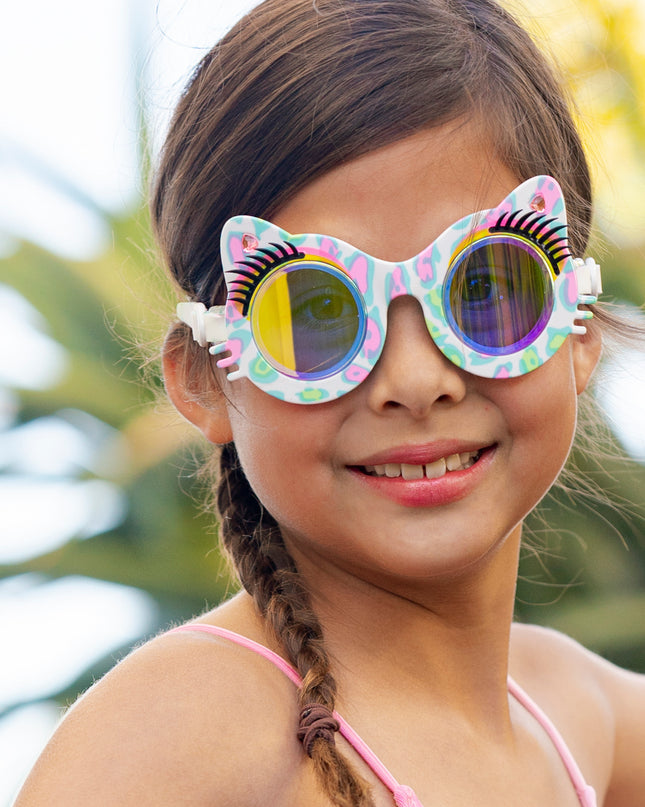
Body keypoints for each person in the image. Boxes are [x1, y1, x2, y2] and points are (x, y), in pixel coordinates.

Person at [14, 0, 645, 805]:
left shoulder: (576, 711)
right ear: (208, 375)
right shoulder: (182, 729)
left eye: (483, 285)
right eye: (317, 312)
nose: (416, 381)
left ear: (577, 326)